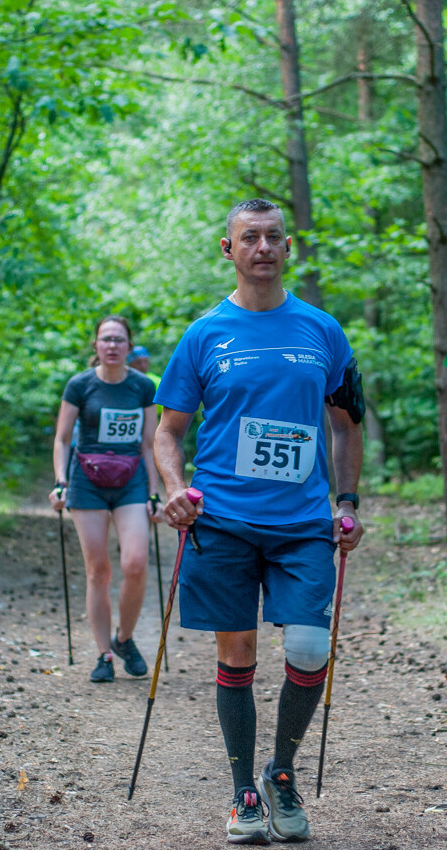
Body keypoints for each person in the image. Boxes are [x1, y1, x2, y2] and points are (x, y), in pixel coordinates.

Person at [154, 198, 365, 844]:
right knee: (237, 653)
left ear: (288, 246)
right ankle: (245, 789)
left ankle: (282, 771)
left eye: (274, 236)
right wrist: (174, 489)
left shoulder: (323, 331)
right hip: (222, 520)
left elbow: (346, 424)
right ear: (229, 249)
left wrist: (348, 502)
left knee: (307, 649)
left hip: (302, 521)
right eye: (251, 237)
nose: (264, 247)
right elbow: (167, 433)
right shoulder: (204, 334)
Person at [48, 316, 163, 683]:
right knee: (99, 570)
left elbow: (149, 442)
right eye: (105, 339)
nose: (112, 345)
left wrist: (155, 492)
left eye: (119, 339)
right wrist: (61, 481)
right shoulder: (79, 385)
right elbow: (63, 438)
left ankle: (124, 639)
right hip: (87, 482)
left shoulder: (142, 386)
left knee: (136, 563)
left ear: (129, 346)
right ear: (95, 346)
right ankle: (103, 655)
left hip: (131, 481)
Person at [128, 345, 163, 418]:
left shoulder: (157, 381)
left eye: (145, 361)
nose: (142, 365)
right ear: (130, 364)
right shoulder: (124, 380)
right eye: (138, 362)